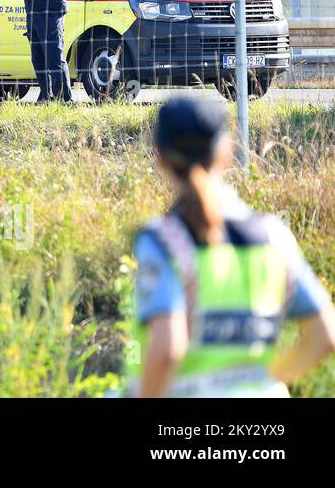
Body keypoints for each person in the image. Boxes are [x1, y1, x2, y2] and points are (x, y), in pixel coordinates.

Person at [133, 94, 335, 397]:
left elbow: (167, 350)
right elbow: (325, 337)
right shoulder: (274, 237)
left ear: (158, 156)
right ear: (226, 154)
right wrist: (265, 381)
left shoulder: (164, 241)